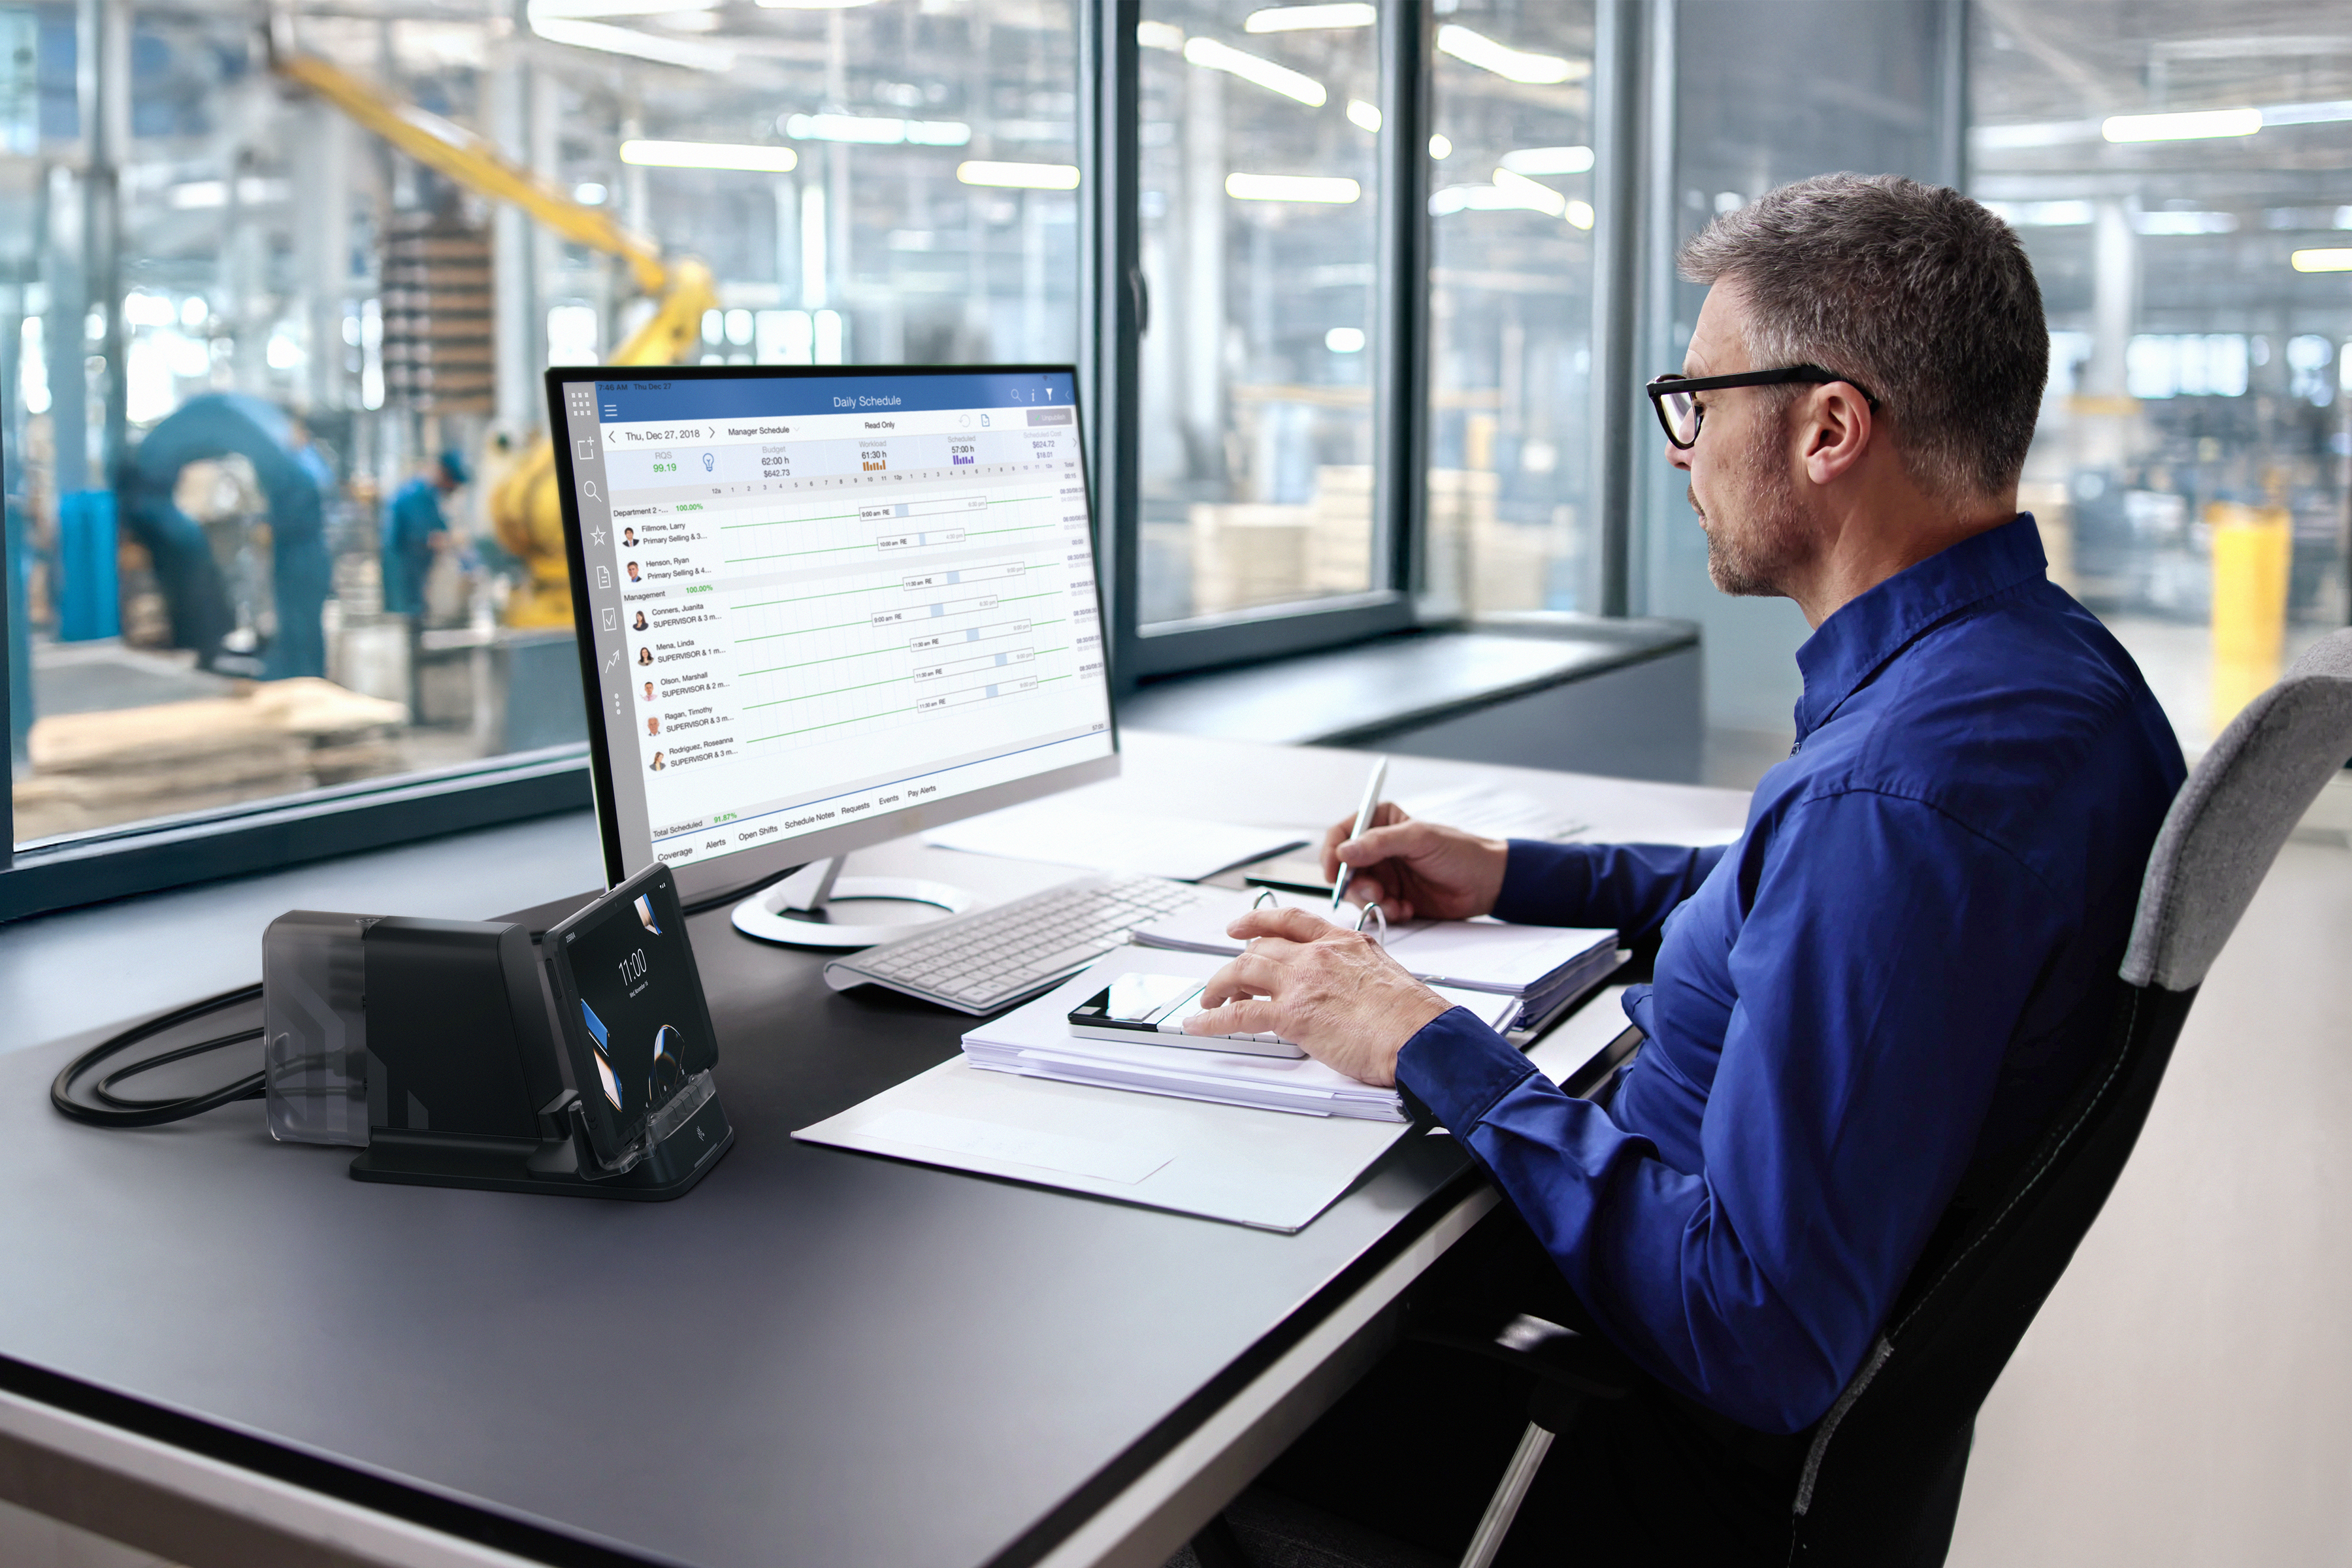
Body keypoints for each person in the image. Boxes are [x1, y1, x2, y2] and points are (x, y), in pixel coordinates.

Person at [1186, 175, 2185, 1563]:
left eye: (1699, 402)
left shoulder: (1897, 796)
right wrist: (1520, 873)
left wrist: (1430, 1040)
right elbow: (1800, 889)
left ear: (1830, 428)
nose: (1683, 450)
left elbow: (1754, 1331)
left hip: (1624, 1457)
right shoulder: (2034, 676)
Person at [381, 451, 469, 617]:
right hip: (405, 569)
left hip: (417, 569)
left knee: (418, 612)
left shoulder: (429, 496)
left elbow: (440, 528)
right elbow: (427, 537)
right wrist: (456, 546)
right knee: (411, 615)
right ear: (443, 474)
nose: (453, 489)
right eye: (453, 484)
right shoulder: (414, 495)